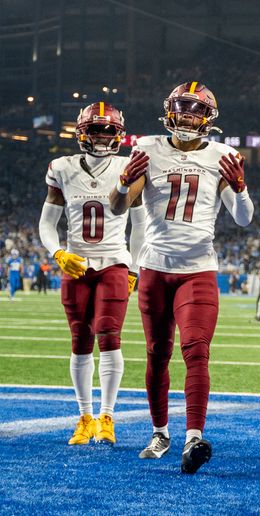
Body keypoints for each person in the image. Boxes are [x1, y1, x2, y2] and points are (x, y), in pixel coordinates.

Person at [109, 82, 254, 473]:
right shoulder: (149, 149)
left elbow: (244, 218)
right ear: (170, 111)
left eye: (196, 110)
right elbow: (119, 206)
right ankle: (160, 431)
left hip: (198, 269)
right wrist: (122, 182)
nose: (188, 117)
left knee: (196, 350)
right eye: (182, 109)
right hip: (155, 266)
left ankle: (194, 436)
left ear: (208, 117)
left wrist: (240, 189)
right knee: (157, 353)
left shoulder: (224, 155)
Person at [39, 102, 146, 446]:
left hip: (113, 261)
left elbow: (140, 225)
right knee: (80, 339)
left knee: (109, 335)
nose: (101, 136)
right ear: (82, 133)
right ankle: (84, 417)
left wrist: (133, 268)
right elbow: (47, 223)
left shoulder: (128, 165)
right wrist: (58, 253)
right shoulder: (62, 168)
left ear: (118, 134)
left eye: (107, 130)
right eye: (94, 130)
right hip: (77, 263)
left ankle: (107, 416)